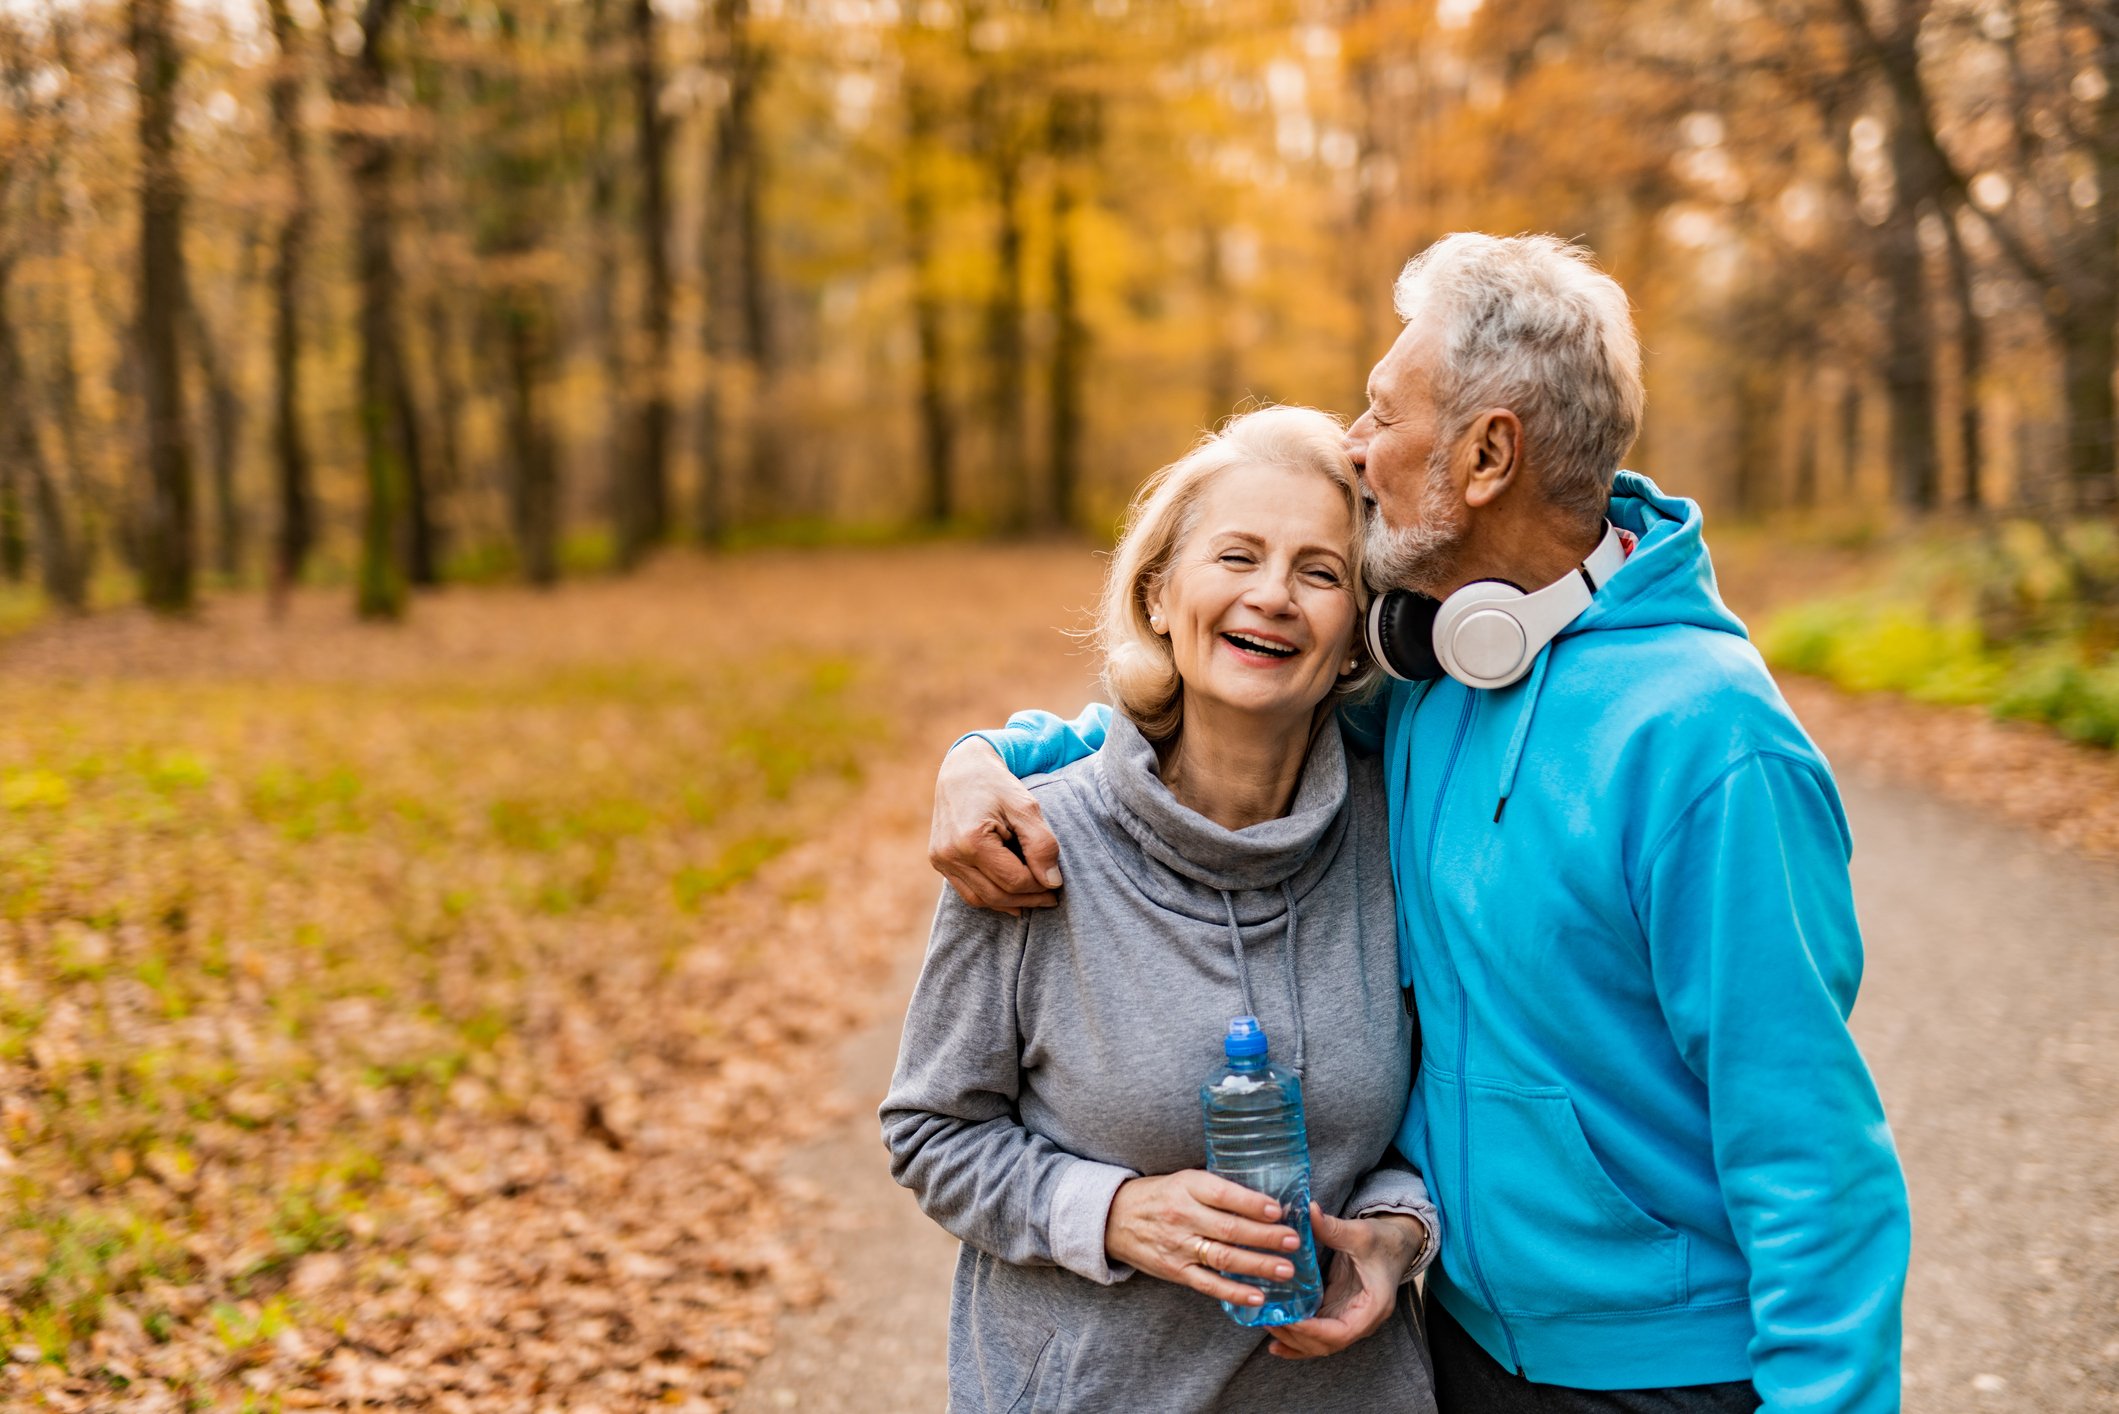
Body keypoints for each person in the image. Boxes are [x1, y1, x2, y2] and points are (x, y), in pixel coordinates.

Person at [928, 234, 1912, 1413]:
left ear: (1487, 453)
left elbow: (1812, 1150)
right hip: (1449, 1350)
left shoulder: (1708, 742)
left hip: (1660, 1377)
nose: (1353, 443)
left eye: (1381, 411)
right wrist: (986, 756)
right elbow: (1209, 707)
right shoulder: (1435, 676)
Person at [881, 406, 1442, 1413]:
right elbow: (931, 1132)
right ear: (1158, 593)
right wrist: (1111, 1211)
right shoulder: (1029, 844)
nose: (1272, 596)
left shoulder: (1400, 835)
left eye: (1320, 572)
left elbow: (1450, 1106)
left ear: (1357, 631)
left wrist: (1396, 1234)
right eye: (1236, 555)